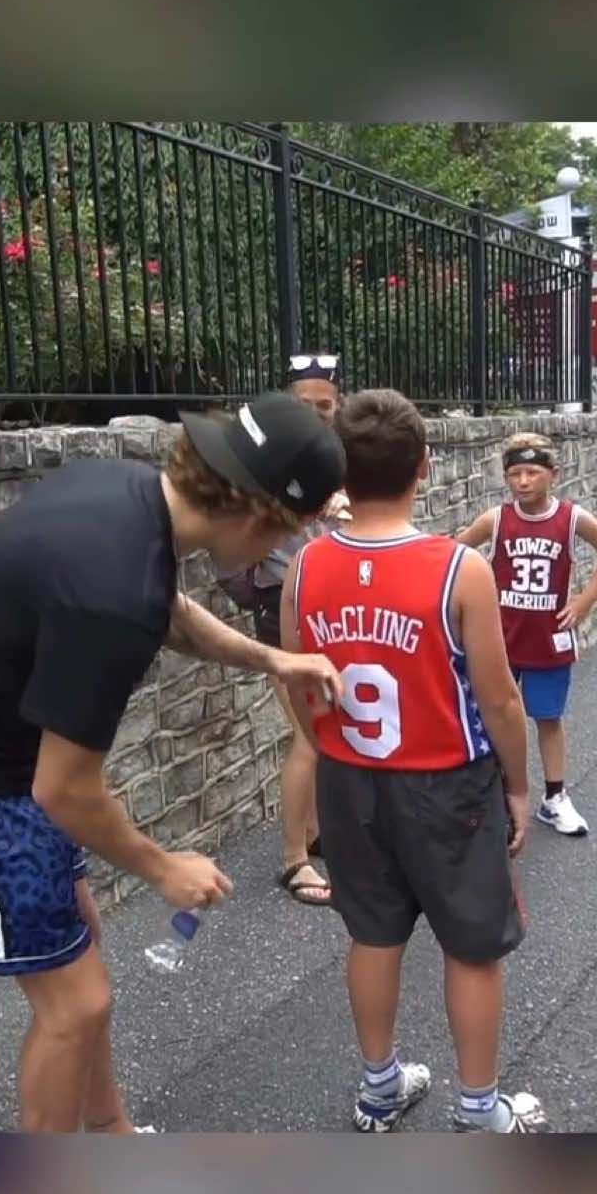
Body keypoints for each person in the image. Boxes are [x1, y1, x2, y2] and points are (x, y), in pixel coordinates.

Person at [0, 391, 345, 1133]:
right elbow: (67, 789)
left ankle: (112, 1132)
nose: (284, 551)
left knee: (80, 937)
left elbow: (171, 610)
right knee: (75, 1002)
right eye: (292, 532)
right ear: (256, 517)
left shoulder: (126, 495)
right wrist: (163, 866)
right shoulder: (110, 593)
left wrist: (273, 656)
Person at [281, 388, 549, 1133]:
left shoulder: (304, 570)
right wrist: (520, 788)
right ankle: (476, 1109)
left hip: (350, 779)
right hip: (445, 783)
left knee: (373, 934)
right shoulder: (458, 569)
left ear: (341, 471)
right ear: (425, 468)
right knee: (472, 947)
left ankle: (377, 1088)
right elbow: (500, 701)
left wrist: (325, 744)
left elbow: (292, 678)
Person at [218, 353, 349, 907]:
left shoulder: (340, 459)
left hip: (333, 610)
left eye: (326, 405)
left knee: (324, 733)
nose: (317, 414)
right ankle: (294, 859)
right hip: (282, 611)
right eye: (305, 406)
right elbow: (235, 549)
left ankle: (315, 833)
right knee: (310, 739)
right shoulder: (266, 464)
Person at [457, 432, 597, 836]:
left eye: (533, 472)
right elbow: (452, 553)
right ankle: (489, 795)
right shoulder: (496, 519)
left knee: (548, 717)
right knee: (490, 715)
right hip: (500, 637)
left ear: (554, 474)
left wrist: (583, 601)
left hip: (547, 637)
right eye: (515, 473)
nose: (524, 481)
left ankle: (554, 796)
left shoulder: (570, 518)